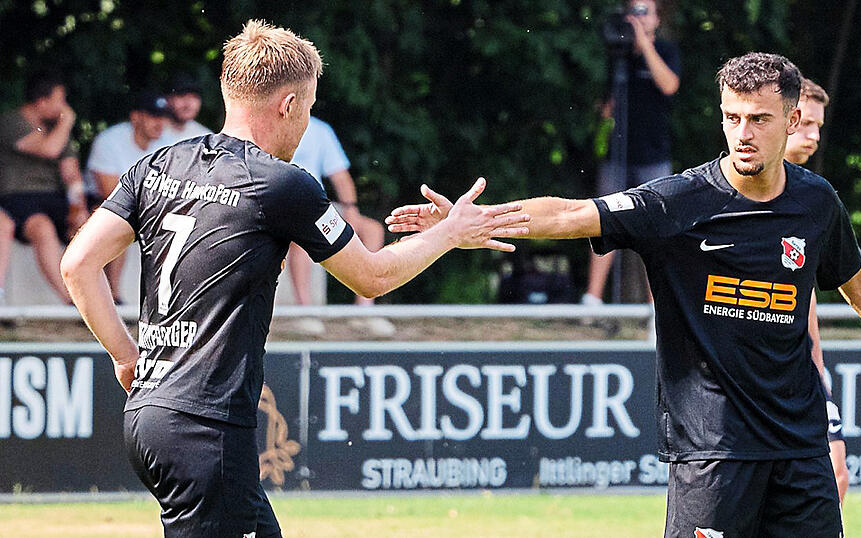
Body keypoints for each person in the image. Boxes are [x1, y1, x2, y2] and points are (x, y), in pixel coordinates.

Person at [387, 52, 861, 536]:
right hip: (712, 453)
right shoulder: (679, 202)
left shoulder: (816, 203)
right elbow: (571, 214)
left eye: (758, 119)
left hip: (800, 450)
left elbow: (857, 282)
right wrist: (476, 220)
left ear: (793, 118)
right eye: (732, 118)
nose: (742, 134)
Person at [60, 20, 527, 538]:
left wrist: (128, 356)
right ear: (286, 105)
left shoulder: (160, 164)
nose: (305, 125)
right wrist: (451, 232)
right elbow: (371, 277)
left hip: (149, 414)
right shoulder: (282, 185)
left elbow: (77, 264)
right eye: (306, 109)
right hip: (205, 426)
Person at [583, 0, 680, 307]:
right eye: (633, 11)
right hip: (619, 154)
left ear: (656, 18)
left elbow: (669, 85)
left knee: (657, 230)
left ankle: (657, 307)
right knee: (602, 220)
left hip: (654, 156)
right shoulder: (619, 56)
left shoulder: (665, 51)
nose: (638, 18)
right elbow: (607, 105)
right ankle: (593, 299)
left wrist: (644, 46)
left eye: (644, 12)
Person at [784, 77, 850, 505]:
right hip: (762, 376)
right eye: (805, 124)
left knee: (837, 473)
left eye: (818, 127)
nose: (813, 136)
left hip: (805, 372)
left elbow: (804, 294)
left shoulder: (811, 197)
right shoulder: (744, 196)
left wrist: (818, 366)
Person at [289, 116, 394, 336]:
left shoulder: (319, 129)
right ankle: (305, 313)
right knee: (299, 239)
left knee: (372, 230)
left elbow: (340, 177)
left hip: (318, 208)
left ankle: (363, 312)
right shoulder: (271, 122)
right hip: (285, 206)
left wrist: (351, 209)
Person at [0, 70, 88, 304]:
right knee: (43, 227)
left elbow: (71, 173)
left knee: (90, 225)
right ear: (41, 101)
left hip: (53, 197)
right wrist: (68, 120)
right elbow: (48, 149)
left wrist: (77, 207)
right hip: (18, 197)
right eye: (60, 100)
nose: (64, 107)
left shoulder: (57, 129)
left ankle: (103, 296)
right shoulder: (12, 122)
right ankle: (72, 301)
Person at [86, 90, 171, 303]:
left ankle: (164, 301)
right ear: (136, 117)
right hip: (102, 204)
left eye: (162, 116)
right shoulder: (109, 140)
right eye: (153, 116)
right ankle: (114, 297)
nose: (159, 122)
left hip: (148, 207)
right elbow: (110, 193)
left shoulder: (167, 145)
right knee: (118, 220)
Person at [160, 73, 213, 145]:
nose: (188, 103)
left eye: (194, 97)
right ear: (167, 99)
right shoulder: (152, 132)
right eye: (181, 96)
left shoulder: (205, 137)